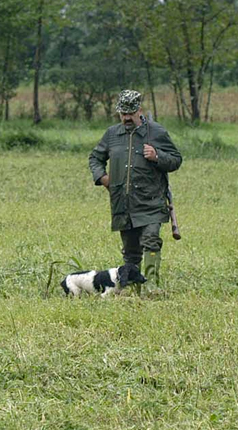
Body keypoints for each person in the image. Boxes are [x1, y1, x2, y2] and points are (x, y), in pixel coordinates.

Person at [89, 89, 182, 295]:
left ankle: (151, 286)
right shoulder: (112, 134)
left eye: (130, 113)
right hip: (123, 203)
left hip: (151, 202)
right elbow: (95, 158)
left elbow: (176, 160)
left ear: (139, 110)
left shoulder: (156, 132)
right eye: (123, 114)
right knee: (131, 252)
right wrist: (103, 178)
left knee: (150, 240)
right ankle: (132, 287)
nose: (126, 118)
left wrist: (157, 156)